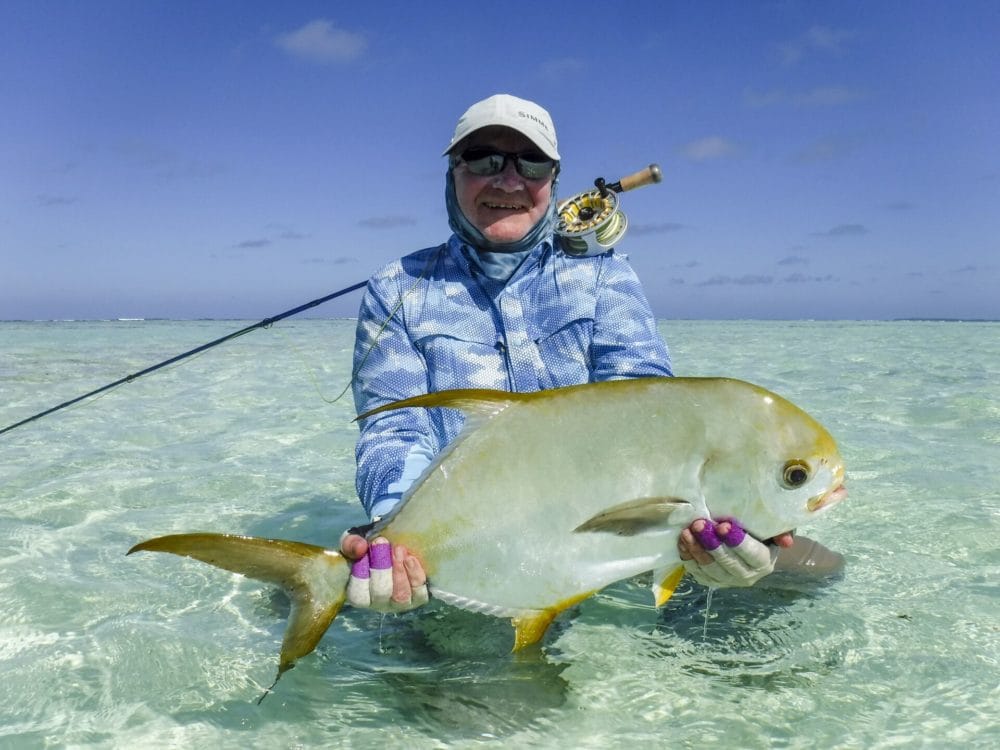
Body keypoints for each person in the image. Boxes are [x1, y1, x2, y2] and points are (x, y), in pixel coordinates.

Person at [340, 94, 842, 613]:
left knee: (818, 577)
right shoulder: (396, 288)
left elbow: (652, 409)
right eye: (484, 159)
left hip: (613, 532)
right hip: (479, 539)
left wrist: (727, 527)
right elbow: (393, 433)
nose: (508, 181)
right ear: (453, 174)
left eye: (530, 163)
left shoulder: (605, 274)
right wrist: (396, 540)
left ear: (552, 181)